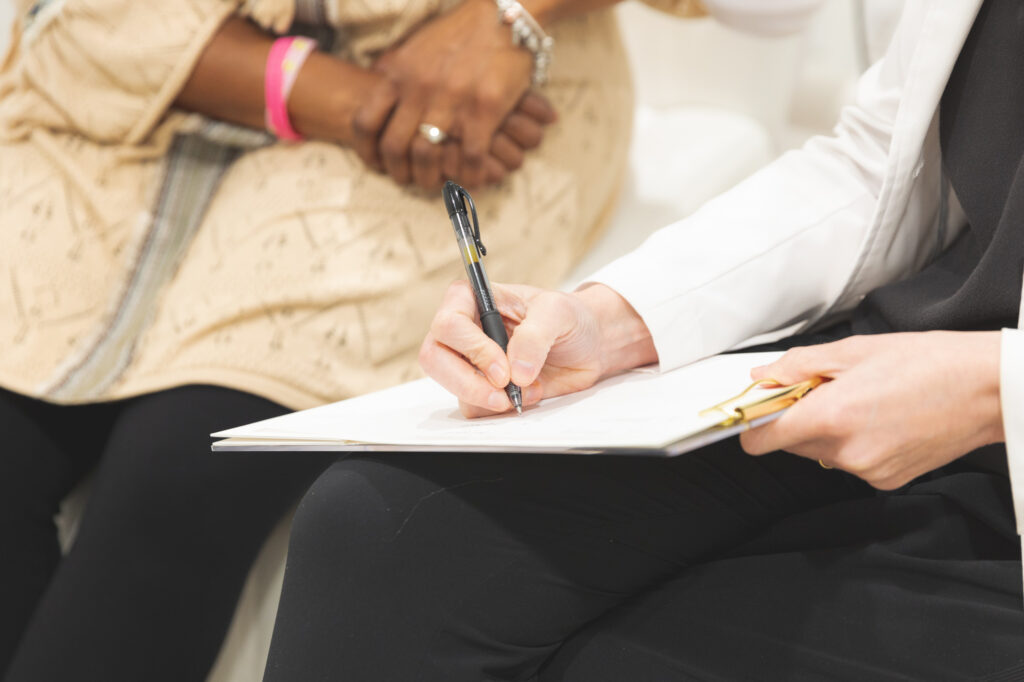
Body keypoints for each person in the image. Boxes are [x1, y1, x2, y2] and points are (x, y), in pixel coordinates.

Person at [260, 1, 1024, 680]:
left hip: (988, 428)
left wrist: (994, 387)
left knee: (635, 649)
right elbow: (890, 164)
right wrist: (614, 320)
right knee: (379, 527)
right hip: (888, 360)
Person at [0, 0, 728, 678]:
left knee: (183, 464)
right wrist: (344, 97)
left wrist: (514, 15)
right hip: (118, 107)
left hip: (454, 137)